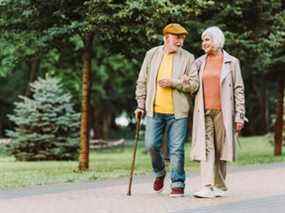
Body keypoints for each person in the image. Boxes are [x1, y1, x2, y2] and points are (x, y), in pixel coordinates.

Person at [135, 23, 199, 197]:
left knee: (176, 149)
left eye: (182, 39)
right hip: (154, 111)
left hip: (178, 113)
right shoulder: (152, 54)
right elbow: (142, 81)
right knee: (151, 145)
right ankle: (160, 172)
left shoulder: (188, 57)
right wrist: (140, 105)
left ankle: (177, 183)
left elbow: (194, 85)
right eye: (177, 38)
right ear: (166, 37)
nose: (180, 42)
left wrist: (175, 82)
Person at [190, 26, 246, 198]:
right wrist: (185, 82)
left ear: (217, 40)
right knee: (207, 148)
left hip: (224, 111)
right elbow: (193, 86)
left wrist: (240, 116)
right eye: (203, 40)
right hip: (204, 111)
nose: (204, 43)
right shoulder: (199, 62)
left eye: (207, 39)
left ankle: (219, 185)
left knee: (221, 149)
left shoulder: (232, 62)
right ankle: (207, 185)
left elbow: (239, 89)